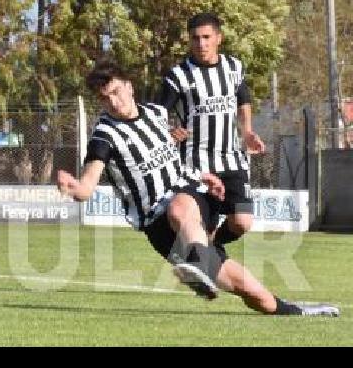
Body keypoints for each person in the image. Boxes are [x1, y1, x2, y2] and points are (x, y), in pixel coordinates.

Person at [57, 59, 338, 316]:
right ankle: (298, 311)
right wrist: (73, 188)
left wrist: (201, 176)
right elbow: (87, 186)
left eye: (116, 92)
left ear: (129, 87)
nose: (114, 103)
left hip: (187, 200)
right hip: (159, 228)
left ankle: (197, 261)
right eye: (105, 99)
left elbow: (169, 160)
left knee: (180, 207)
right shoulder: (104, 137)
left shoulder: (156, 114)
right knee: (251, 291)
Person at [158, 13, 264, 248]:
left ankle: (212, 244)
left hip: (232, 161)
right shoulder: (178, 76)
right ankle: (200, 252)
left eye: (206, 37)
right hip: (195, 165)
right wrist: (169, 131)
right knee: (192, 220)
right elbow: (157, 114)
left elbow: (243, 100)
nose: (201, 44)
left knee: (242, 222)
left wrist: (247, 132)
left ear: (219, 38)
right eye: (195, 38)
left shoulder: (234, 67)